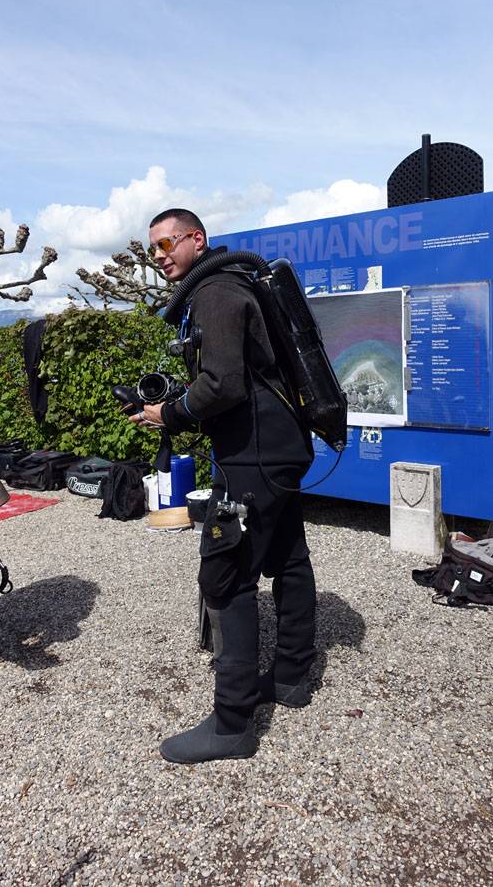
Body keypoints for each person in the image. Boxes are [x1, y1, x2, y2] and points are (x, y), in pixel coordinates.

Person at [131, 208, 317, 763]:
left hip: (254, 454)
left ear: (197, 239)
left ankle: (233, 723)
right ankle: (290, 676)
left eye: (168, 243)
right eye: (154, 249)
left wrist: (170, 413)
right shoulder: (236, 284)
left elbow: (223, 385)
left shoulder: (213, 291)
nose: (161, 255)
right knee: (287, 558)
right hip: (279, 446)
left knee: (224, 573)